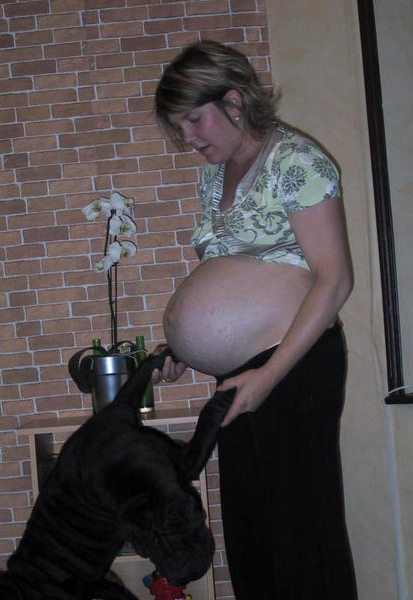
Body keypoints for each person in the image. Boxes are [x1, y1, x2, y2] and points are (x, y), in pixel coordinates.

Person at [152, 40, 357, 599]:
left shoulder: (297, 161)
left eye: (194, 120)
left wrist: (269, 375)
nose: (188, 138)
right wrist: (182, 347)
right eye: (179, 126)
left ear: (234, 101)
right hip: (243, 373)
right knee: (252, 531)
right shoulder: (214, 176)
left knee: (302, 533)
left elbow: (335, 280)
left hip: (293, 364)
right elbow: (229, 270)